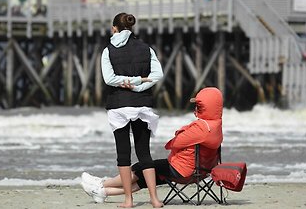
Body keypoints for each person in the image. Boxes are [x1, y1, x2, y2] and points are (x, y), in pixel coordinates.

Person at [81, 87, 223, 206]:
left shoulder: (201, 128)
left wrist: (182, 133)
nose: (196, 109)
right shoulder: (216, 126)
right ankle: (102, 192)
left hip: (182, 171)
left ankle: (102, 183)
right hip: (201, 173)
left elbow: (172, 144)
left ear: (206, 107)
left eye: (198, 106)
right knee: (146, 178)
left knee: (141, 168)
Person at [85, 12, 164, 208]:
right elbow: (157, 75)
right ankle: (155, 199)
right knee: (144, 153)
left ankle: (128, 200)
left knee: (123, 154)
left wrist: (130, 84)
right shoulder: (146, 48)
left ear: (114, 28)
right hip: (142, 104)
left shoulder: (107, 50)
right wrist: (139, 83)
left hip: (118, 106)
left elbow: (109, 79)